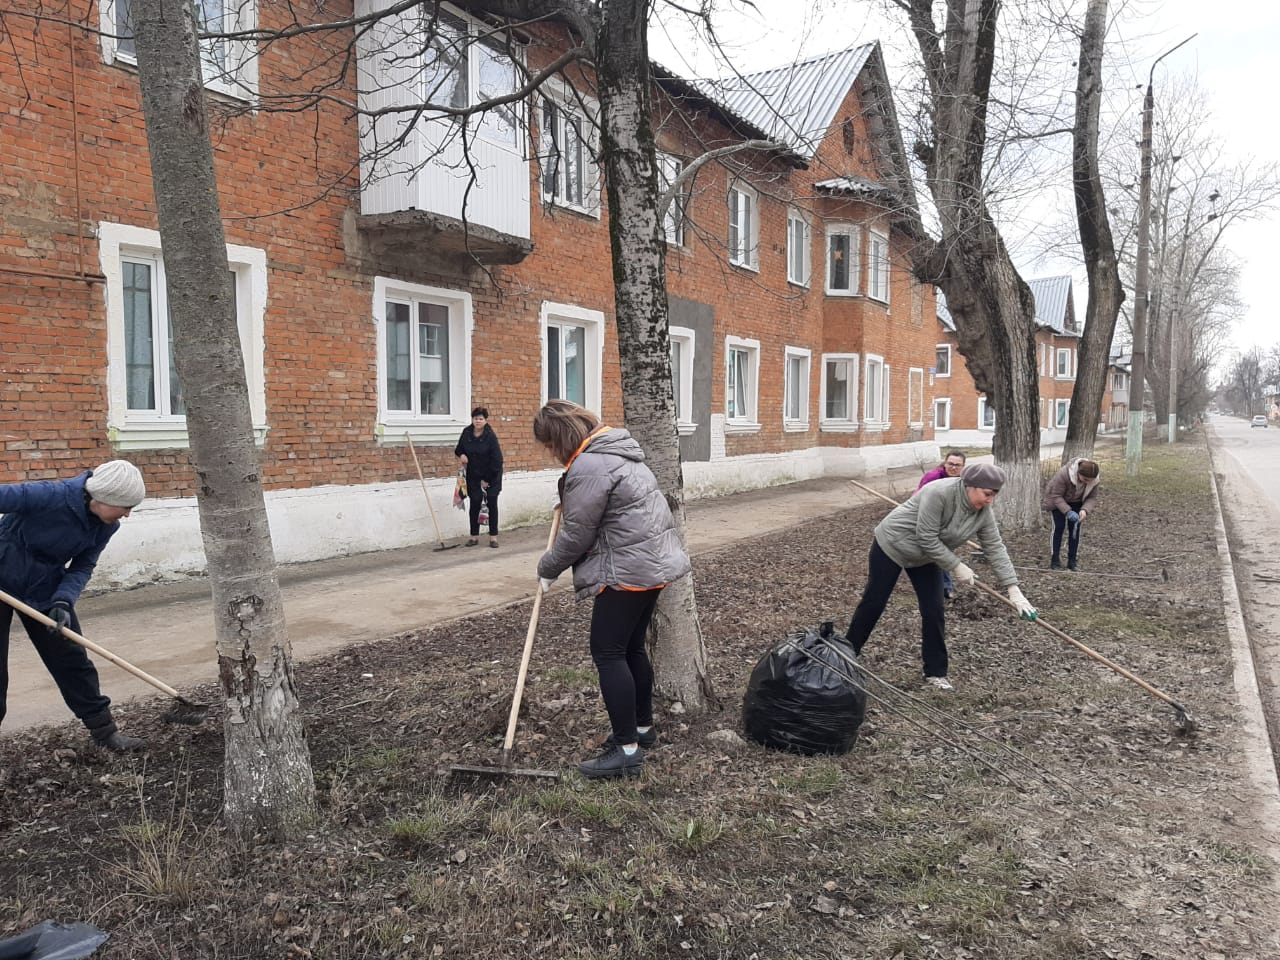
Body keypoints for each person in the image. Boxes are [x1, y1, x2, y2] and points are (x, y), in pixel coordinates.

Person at [533, 400, 691, 779]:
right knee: (631, 647)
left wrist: (547, 568)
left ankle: (626, 751)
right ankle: (641, 729)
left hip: (627, 570)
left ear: (560, 438)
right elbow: (601, 507)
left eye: (549, 445)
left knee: (608, 652)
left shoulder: (589, 464)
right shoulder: (618, 452)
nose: (551, 454)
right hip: (652, 566)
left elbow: (577, 535)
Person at [844, 463, 1037, 691]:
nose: (990, 500)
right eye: (987, 494)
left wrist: (1013, 589)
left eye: (994, 495)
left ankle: (935, 673)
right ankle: (845, 655)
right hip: (893, 545)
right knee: (874, 602)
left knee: (934, 610)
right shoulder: (938, 493)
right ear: (970, 486)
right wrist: (956, 565)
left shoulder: (983, 513)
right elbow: (926, 537)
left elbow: (995, 547)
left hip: (926, 557)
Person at [0, 459, 147, 751]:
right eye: (125, 506)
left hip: (45, 588)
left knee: (73, 662)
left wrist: (63, 600)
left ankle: (105, 734)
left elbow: (82, 566)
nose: (128, 515)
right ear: (104, 498)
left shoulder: (107, 526)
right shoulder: (48, 496)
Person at [916, 450, 967, 599]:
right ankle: (945, 587)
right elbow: (918, 498)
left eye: (958, 465)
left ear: (963, 467)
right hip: (928, 519)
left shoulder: (963, 481)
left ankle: (942, 586)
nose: (953, 468)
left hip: (947, 521)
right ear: (945, 464)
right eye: (950, 464)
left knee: (940, 553)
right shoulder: (933, 477)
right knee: (939, 551)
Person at [455, 406, 504, 548]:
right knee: (475, 503)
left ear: (485, 420)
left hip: (492, 475)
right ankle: (474, 536)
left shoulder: (490, 436)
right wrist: (462, 455)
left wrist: (487, 480)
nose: (478, 421)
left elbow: (497, 460)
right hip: (474, 475)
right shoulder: (466, 432)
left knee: (491, 504)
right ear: (472, 419)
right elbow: (459, 449)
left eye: (481, 418)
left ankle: (493, 537)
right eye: (475, 418)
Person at [1042, 457, 1101, 571]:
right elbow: (1056, 496)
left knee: (1075, 530)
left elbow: (1092, 497)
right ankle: (1055, 560)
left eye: (1090, 480)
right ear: (1078, 473)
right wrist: (1068, 512)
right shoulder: (1064, 474)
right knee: (1059, 528)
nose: (1087, 482)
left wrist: (1084, 510)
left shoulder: (1094, 480)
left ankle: (1072, 561)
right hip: (1058, 501)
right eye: (1084, 479)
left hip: (1077, 502)